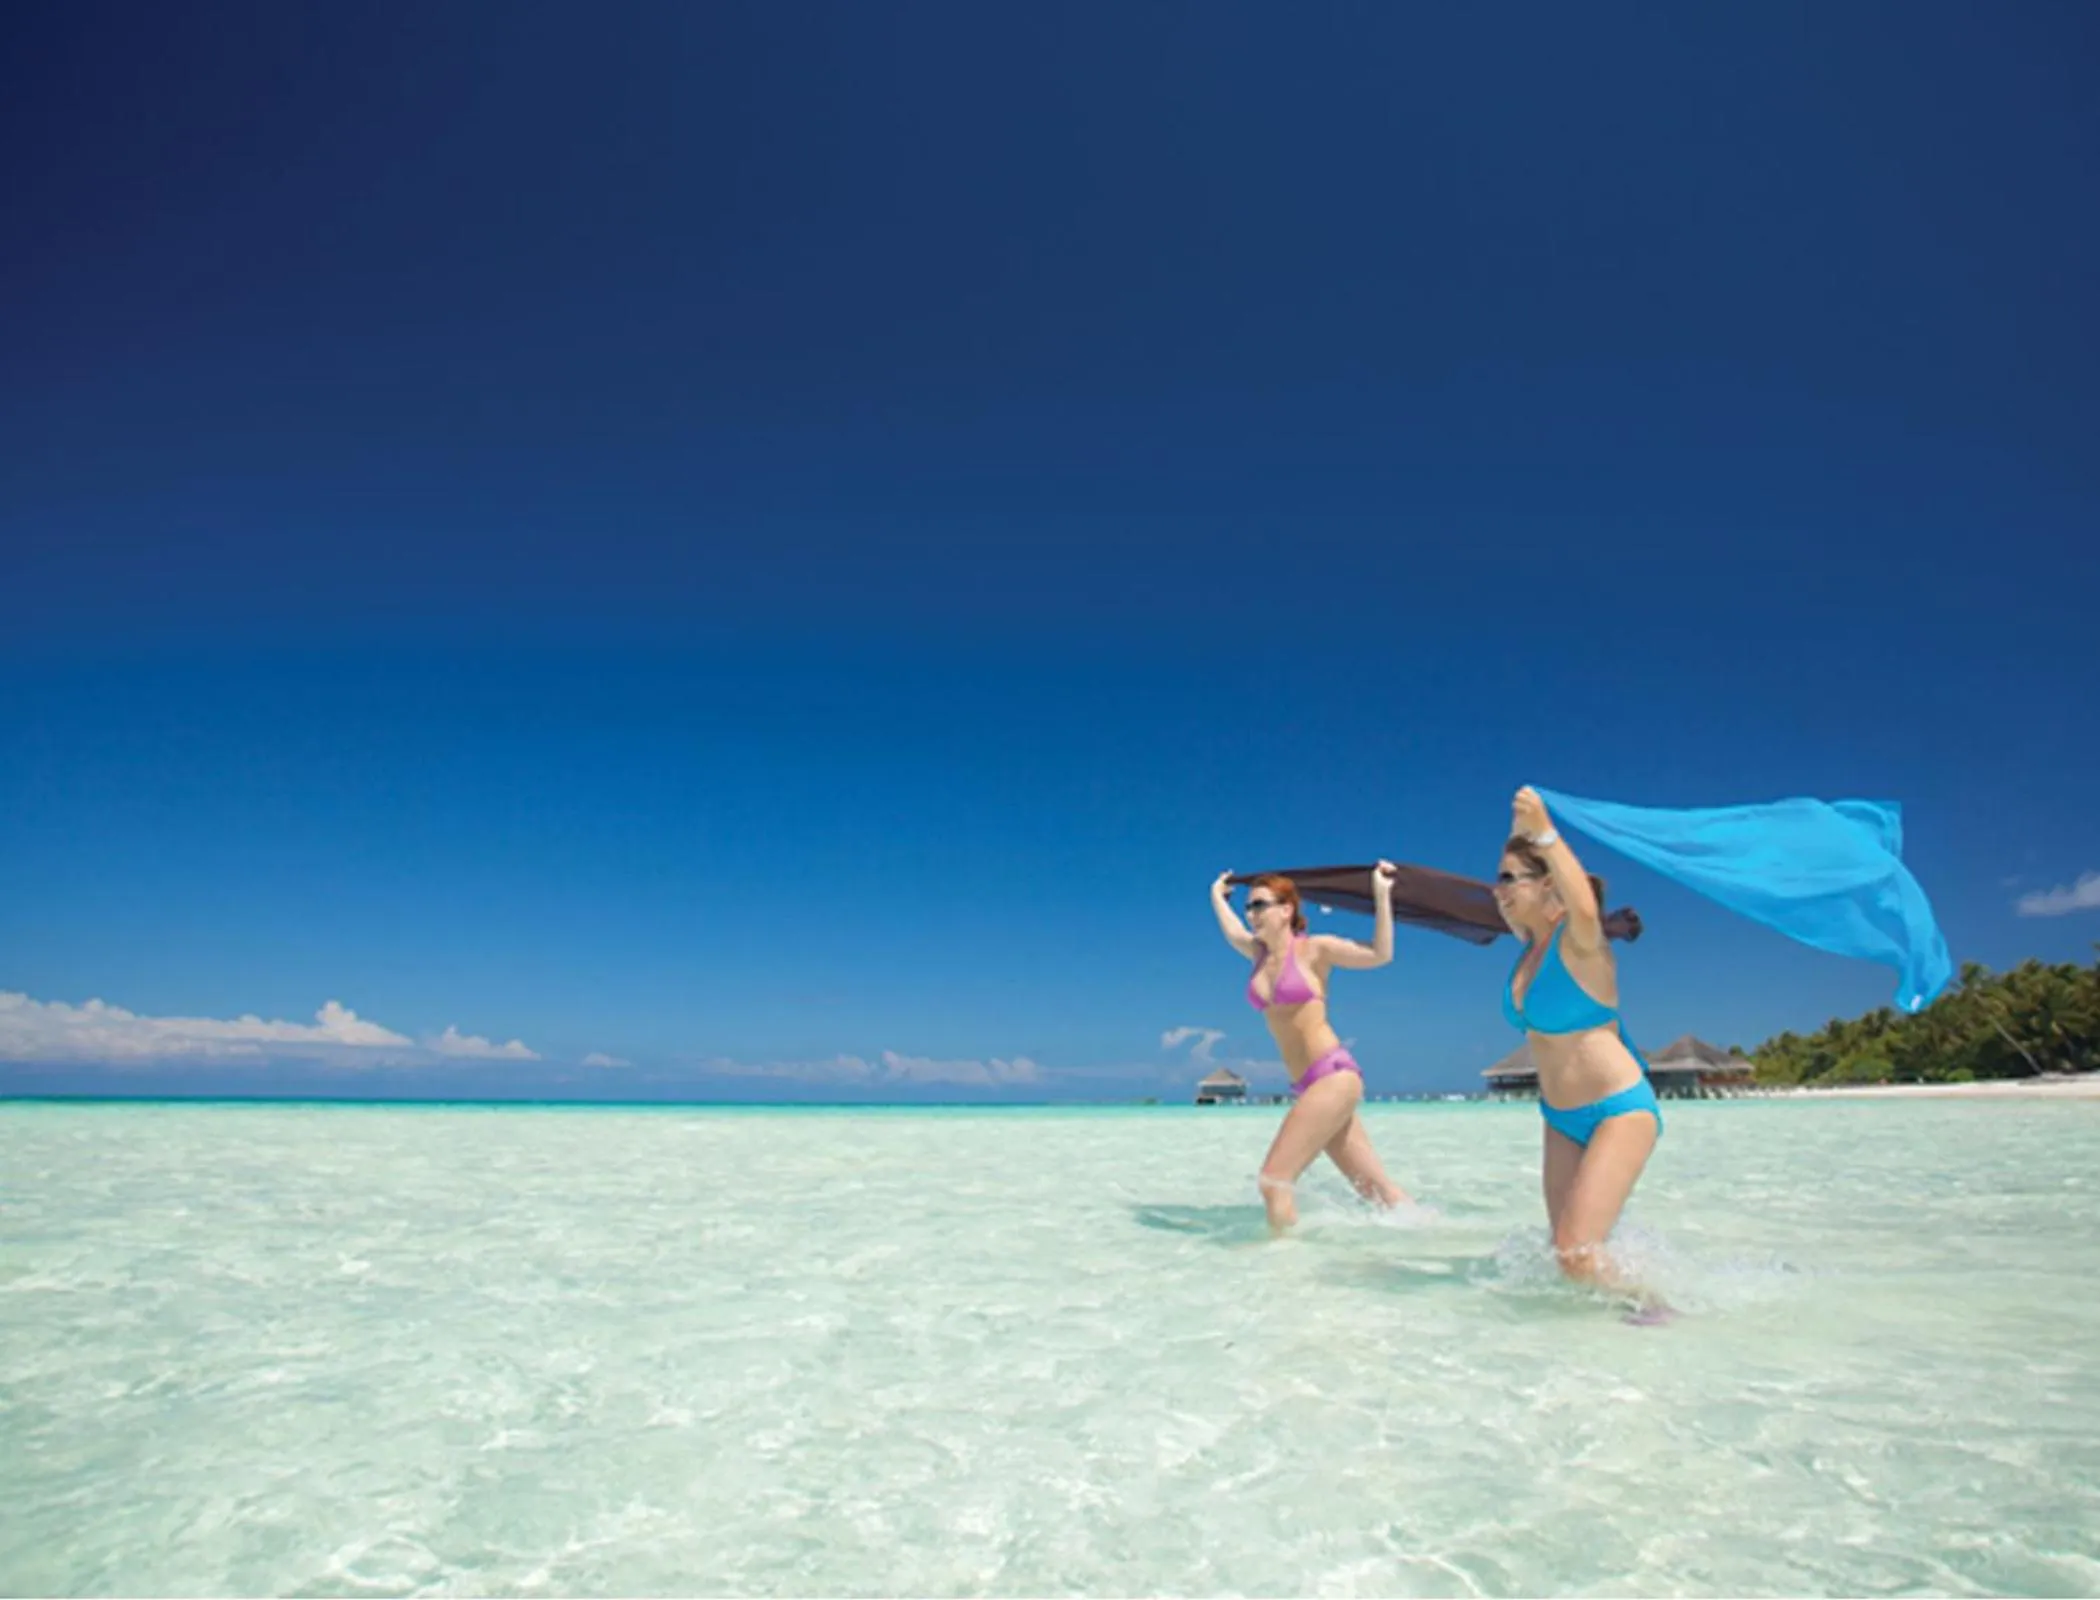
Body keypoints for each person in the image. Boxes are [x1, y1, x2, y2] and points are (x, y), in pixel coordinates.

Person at [1494, 786, 1665, 1309]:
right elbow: (1529, 886)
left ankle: (1658, 1311)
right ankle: (1598, 1348)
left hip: (1619, 1110)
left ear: (1549, 889)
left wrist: (1544, 833)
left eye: (1506, 879)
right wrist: (1518, 837)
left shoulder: (1581, 944)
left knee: (1577, 1254)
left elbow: (1583, 905)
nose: (1495, 889)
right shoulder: (1527, 954)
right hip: (1560, 1117)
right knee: (1565, 1259)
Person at [1209, 863, 1411, 1232]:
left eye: (1260, 905)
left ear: (1286, 910)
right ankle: (1434, 1235)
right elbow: (1232, 931)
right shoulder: (1257, 957)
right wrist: (1216, 897)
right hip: (1307, 1085)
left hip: (1334, 1075)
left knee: (1274, 1180)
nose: (1251, 914)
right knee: (1377, 1192)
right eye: (1249, 907)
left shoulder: (1314, 950)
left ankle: (1282, 1272)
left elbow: (1380, 954)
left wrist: (1382, 895)